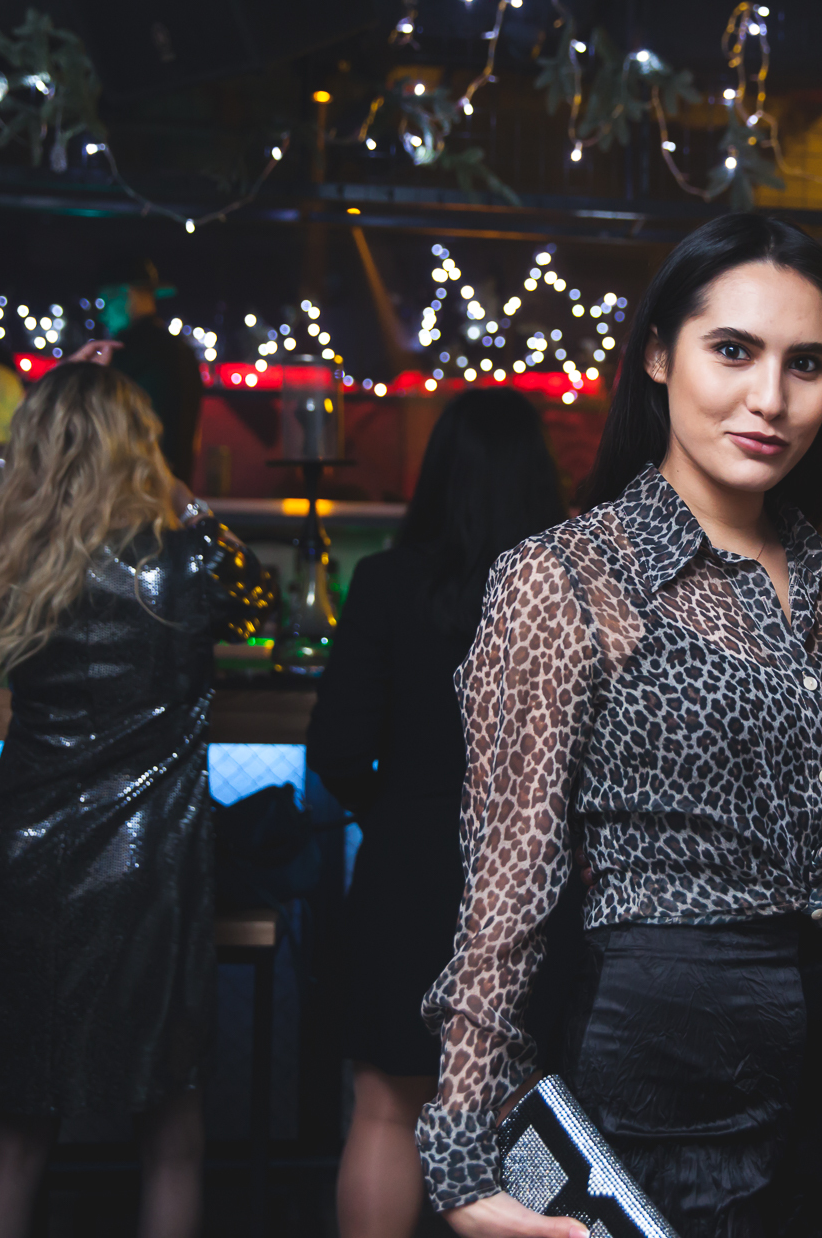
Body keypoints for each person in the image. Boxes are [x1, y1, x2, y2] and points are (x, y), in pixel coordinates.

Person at [421, 214, 822, 1238]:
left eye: (806, 364)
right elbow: (507, 882)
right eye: (732, 350)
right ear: (656, 355)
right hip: (660, 1069)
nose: (769, 398)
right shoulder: (568, 577)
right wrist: (463, 1151)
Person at [0, 362, 272, 1238]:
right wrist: (181, 495)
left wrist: (69, 384)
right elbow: (259, 601)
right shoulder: (184, 562)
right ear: (137, 447)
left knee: (16, 1139)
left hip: (19, 859)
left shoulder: (12, 559)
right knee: (171, 1137)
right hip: (147, 873)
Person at [307, 389, 568, 1238]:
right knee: (526, 1111)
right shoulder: (571, 589)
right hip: (538, 873)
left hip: (409, 867)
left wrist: (398, 814)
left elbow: (336, 749)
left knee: (387, 1105)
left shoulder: (385, 582)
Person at [100, 259, 203, 483]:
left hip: (135, 485)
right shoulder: (182, 350)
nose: (103, 314)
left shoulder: (124, 352)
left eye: (106, 300)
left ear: (126, 295)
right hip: (175, 484)